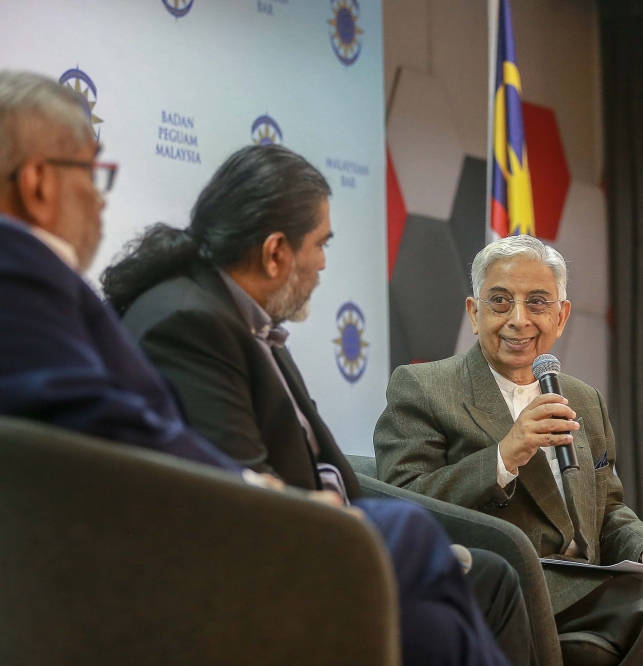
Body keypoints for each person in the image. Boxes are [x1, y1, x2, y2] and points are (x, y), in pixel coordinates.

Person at [0, 69, 510, 666]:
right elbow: (99, 419)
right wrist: (250, 488)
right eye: (91, 173)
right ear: (37, 182)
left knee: (436, 608)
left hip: (187, 537)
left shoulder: (226, 314)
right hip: (172, 561)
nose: (100, 197)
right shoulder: (26, 272)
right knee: (414, 540)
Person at [104, 143, 531, 666]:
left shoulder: (240, 316)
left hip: (324, 537)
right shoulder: (190, 324)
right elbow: (243, 497)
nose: (324, 262)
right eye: (320, 244)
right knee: (424, 557)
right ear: (276, 252)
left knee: (491, 579)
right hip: (276, 562)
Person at [375, 235, 643, 666]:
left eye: (537, 303)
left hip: (589, 577)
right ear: (475, 313)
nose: (519, 320)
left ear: (561, 316)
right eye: (500, 302)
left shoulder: (583, 399)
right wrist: (505, 455)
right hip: (508, 580)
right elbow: (405, 503)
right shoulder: (424, 387)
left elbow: (608, 511)